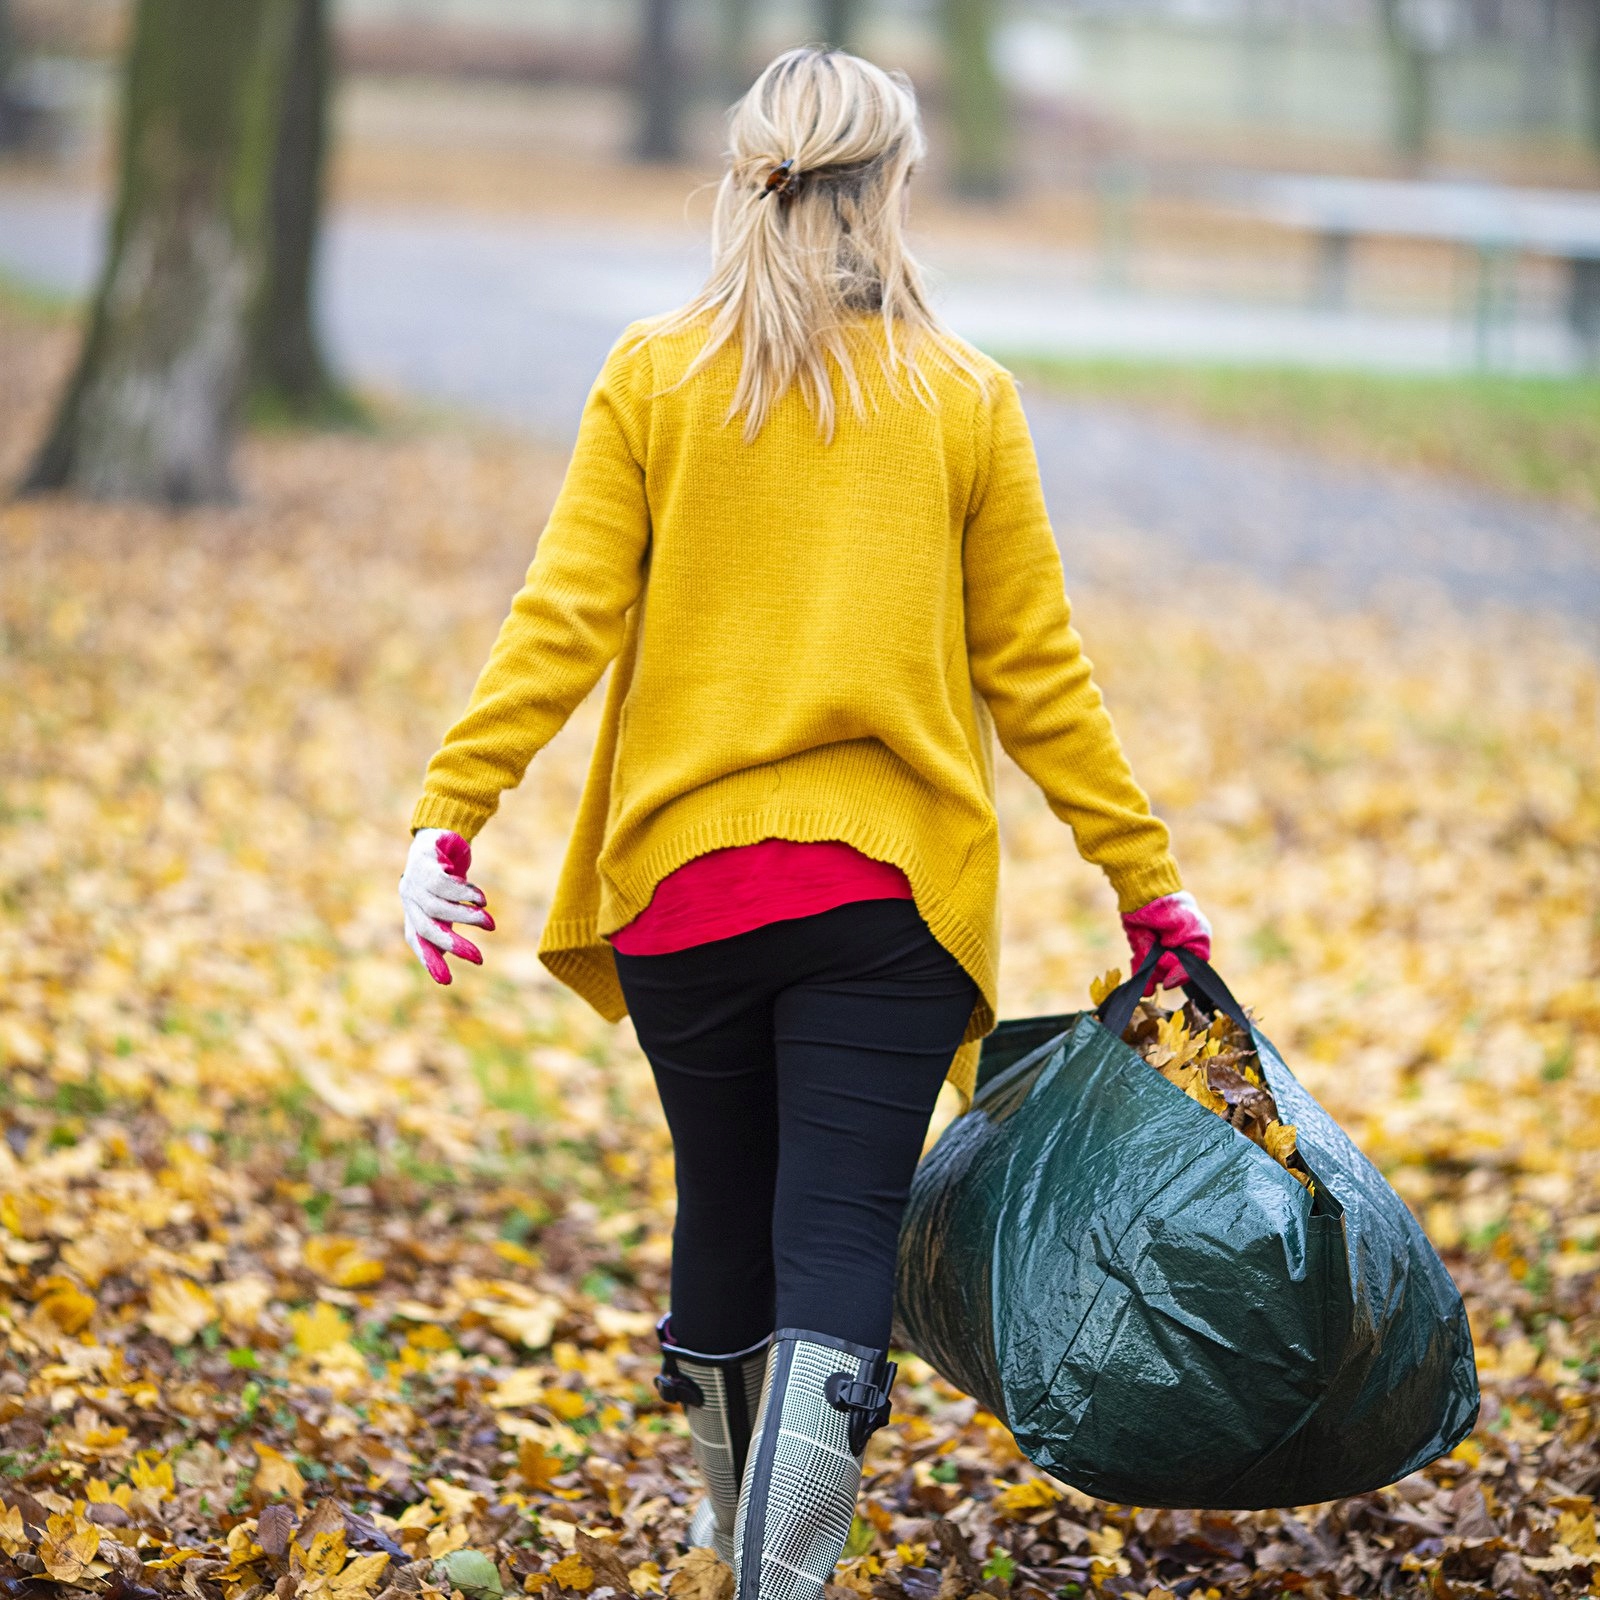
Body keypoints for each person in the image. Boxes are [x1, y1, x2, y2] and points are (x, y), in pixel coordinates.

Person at [398, 44, 1211, 1600]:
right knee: (836, 1241)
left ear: (746, 176)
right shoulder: (963, 397)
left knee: (723, 1212)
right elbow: (1039, 673)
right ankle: (783, 1576)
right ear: (893, 185)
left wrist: (453, 815)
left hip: (689, 890)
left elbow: (559, 618)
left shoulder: (657, 373)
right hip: (886, 904)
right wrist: (1145, 885)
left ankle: (724, 1531)